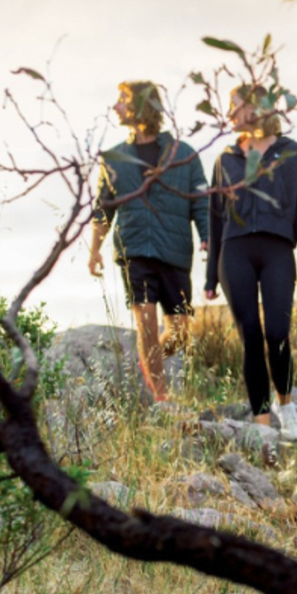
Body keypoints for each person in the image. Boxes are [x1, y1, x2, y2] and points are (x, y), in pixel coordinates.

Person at [202, 84, 297, 441]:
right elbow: (215, 217)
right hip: (234, 250)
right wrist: (210, 276)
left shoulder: (293, 154)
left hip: (277, 251)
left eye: (234, 107)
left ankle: (286, 405)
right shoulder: (225, 158)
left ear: (256, 109)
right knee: (250, 336)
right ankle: (263, 427)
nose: (229, 115)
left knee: (277, 334)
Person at [89, 81, 209, 403]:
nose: (116, 107)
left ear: (142, 106)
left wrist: (208, 237)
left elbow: (201, 201)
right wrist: (94, 250)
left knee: (180, 332)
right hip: (134, 250)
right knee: (145, 322)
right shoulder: (114, 158)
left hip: (174, 251)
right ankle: (162, 397)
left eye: (122, 101)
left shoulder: (183, 154)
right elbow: (104, 207)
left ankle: (150, 359)